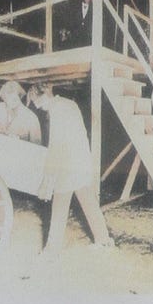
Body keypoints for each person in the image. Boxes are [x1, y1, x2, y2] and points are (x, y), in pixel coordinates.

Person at [32, 83, 112, 254]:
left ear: (44, 96)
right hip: (82, 160)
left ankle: (51, 251)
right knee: (88, 201)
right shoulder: (69, 103)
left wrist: (49, 177)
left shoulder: (56, 110)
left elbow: (57, 144)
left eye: (37, 102)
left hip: (68, 164)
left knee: (59, 206)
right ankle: (104, 240)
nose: (38, 107)